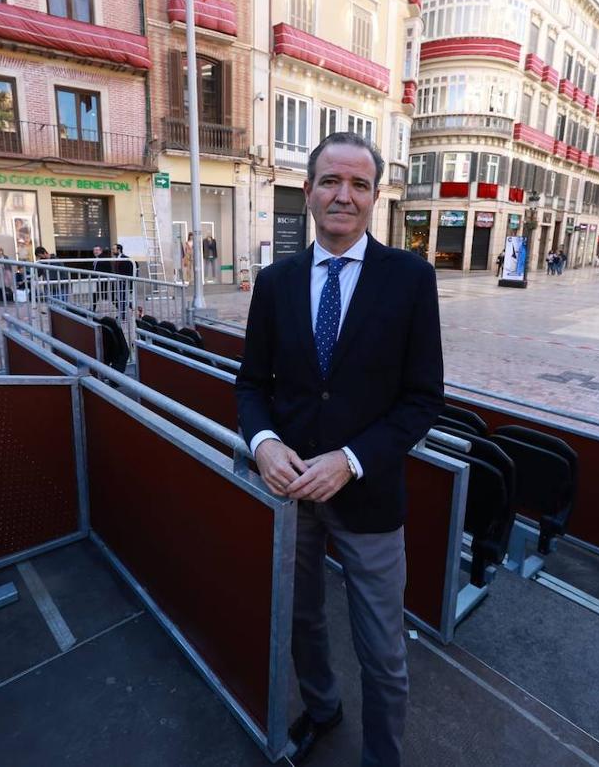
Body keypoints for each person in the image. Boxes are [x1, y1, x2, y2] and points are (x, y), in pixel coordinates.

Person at [235, 131, 444, 767]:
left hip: (370, 498)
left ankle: (382, 758)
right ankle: (323, 710)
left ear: (375, 197)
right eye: (331, 181)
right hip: (290, 493)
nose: (343, 196)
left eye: (358, 184)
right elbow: (251, 385)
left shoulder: (410, 279)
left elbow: (421, 399)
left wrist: (350, 460)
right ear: (308, 192)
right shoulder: (275, 282)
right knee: (302, 622)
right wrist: (264, 442)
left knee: (383, 651)